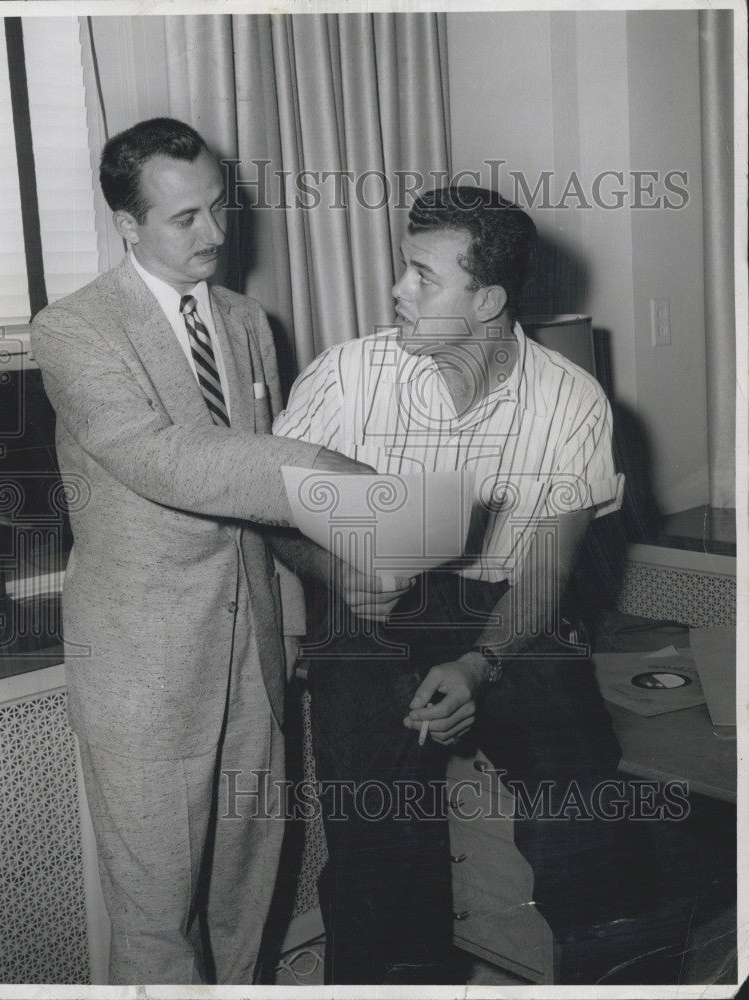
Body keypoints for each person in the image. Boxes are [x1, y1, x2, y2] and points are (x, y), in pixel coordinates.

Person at [30, 117, 376, 985]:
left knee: (245, 887)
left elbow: (255, 512)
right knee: (156, 911)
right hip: (142, 666)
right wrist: (324, 472)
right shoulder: (73, 331)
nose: (215, 235)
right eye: (185, 218)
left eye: (219, 208)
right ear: (129, 224)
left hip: (253, 647)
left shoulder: (250, 321)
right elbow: (160, 457)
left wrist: (290, 620)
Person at [272, 186, 628, 984]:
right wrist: (336, 572)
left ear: (490, 299)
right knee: (379, 827)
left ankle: (609, 970)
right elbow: (272, 513)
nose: (398, 289)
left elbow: (548, 571)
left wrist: (481, 665)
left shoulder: (572, 399)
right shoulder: (347, 374)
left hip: (503, 607)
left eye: (422, 275)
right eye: (405, 268)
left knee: (583, 782)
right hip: (369, 603)